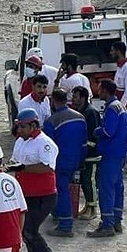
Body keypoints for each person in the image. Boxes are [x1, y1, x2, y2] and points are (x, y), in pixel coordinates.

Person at [8, 108, 58, 252]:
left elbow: (47, 167)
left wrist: (22, 168)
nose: (19, 130)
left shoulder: (45, 143)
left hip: (44, 195)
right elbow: (14, 162)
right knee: (26, 232)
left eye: (22, 127)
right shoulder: (20, 142)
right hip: (25, 195)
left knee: (30, 230)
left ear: (33, 125)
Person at [87, 80, 127, 238]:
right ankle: (116, 221)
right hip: (120, 153)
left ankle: (107, 225)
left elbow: (109, 132)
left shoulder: (111, 108)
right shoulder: (121, 106)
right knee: (118, 188)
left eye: (99, 89)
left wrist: (97, 131)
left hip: (110, 154)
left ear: (105, 90)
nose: (98, 91)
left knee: (106, 189)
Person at [43, 88, 87, 238]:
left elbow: (48, 146)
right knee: (66, 191)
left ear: (53, 101)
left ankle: (65, 226)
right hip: (75, 161)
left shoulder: (51, 121)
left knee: (61, 192)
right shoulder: (80, 117)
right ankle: (59, 214)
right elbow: (83, 143)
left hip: (60, 162)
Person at [72, 86, 102, 221]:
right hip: (83, 153)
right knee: (84, 181)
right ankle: (88, 206)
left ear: (83, 97)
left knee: (89, 180)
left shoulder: (91, 112)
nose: (73, 99)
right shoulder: (81, 111)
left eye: (75, 96)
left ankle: (93, 208)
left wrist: (85, 148)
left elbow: (93, 135)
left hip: (91, 154)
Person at [111, 41, 127, 165]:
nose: (111, 53)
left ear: (118, 51)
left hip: (126, 107)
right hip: (120, 104)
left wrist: (120, 107)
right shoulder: (120, 66)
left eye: (112, 50)